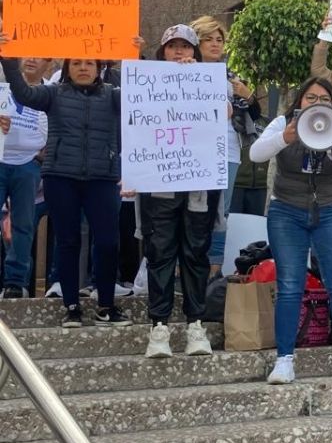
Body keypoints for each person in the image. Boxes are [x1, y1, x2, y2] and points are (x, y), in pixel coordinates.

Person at [0, 35, 137, 327]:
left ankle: (106, 306)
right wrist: (8, 59)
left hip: (102, 178)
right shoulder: (54, 94)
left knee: (108, 242)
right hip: (60, 178)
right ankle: (72, 306)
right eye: (77, 62)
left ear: (99, 67)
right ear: (67, 67)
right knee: (68, 241)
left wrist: (134, 57)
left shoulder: (114, 95)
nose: (83, 67)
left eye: (89, 62)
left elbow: (142, 97)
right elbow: (23, 93)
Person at [250, 76, 332, 384]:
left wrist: (331, 148)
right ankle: (284, 359)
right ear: (300, 101)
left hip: (331, 211)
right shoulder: (283, 123)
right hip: (286, 211)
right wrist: (287, 138)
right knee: (290, 285)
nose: (317, 103)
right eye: (311, 98)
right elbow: (256, 153)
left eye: (324, 99)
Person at [139, 25, 217, 358]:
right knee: (160, 252)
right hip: (160, 182)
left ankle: (195, 325)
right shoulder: (144, 85)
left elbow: (225, 115)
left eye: (186, 47)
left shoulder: (211, 81)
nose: (180, 53)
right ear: (162, 52)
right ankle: (158, 327)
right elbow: (135, 124)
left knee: (196, 253)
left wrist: (203, 83)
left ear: (196, 53)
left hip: (199, 183)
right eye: (173, 47)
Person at [190, 16, 251, 278]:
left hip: (227, 150)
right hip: (192, 149)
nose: (215, 44)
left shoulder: (232, 77)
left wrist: (246, 95)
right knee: (192, 207)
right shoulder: (184, 70)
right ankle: (189, 264)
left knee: (220, 212)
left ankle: (214, 268)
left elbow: (253, 113)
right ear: (197, 41)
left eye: (219, 40)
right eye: (208, 39)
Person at [0, 58, 48, 298]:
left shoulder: (50, 91)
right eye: (26, 53)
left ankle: (15, 283)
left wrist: (40, 157)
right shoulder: (2, 85)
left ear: (48, 61)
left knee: (23, 226)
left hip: (28, 165)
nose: (30, 59)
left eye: (38, 54)